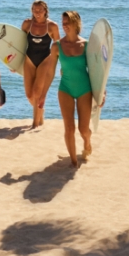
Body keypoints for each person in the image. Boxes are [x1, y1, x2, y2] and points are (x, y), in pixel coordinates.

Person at [47, 11, 101, 168]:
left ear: (76, 24)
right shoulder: (56, 47)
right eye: (63, 22)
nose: (64, 25)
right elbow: (50, 71)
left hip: (84, 89)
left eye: (67, 22)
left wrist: (101, 92)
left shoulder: (86, 46)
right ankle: (73, 162)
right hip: (65, 89)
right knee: (69, 128)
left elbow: (97, 72)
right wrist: (43, 94)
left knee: (83, 129)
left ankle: (87, 142)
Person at [21, 0, 60, 128]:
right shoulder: (27, 24)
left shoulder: (52, 26)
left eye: (40, 10)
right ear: (32, 10)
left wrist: (61, 65)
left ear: (45, 11)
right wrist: (13, 62)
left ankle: (35, 124)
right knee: (29, 94)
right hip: (29, 59)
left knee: (38, 92)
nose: (37, 12)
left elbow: (58, 46)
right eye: (35, 10)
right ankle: (40, 112)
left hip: (45, 59)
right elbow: (19, 44)